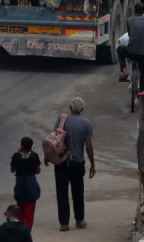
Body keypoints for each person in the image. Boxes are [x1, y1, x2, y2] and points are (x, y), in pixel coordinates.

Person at [50, 97, 95, 232]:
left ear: (70, 108)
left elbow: (54, 140)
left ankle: (64, 223)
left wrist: (49, 157)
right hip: (77, 163)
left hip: (61, 162)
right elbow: (88, 146)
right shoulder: (86, 124)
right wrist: (92, 164)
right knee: (77, 192)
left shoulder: (61, 119)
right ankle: (79, 219)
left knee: (62, 193)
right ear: (82, 109)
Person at [120, 2, 144, 93]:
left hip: (131, 52)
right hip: (143, 54)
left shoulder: (129, 20)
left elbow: (129, 34)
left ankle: (125, 71)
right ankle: (143, 91)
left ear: (134, 11)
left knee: (119, 49)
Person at [9, 137, 41, 230]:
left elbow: (12, 170)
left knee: (20, 210)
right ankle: (26, 232)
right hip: (31, 185)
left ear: (21, 146)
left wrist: (19, 153)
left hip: (20, 185)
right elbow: (38, 170)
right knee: (29, 212)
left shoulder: (16, 155)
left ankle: (19, 229)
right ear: (31, 147)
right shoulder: (34, 156)